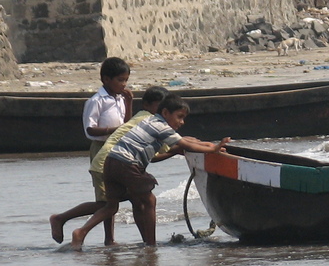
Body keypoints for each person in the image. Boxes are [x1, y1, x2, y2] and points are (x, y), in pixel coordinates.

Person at [70, 95, 230, 250]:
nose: (182, 122)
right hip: (127, 163)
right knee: (149, 200)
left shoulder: (149, 121)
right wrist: (214, 149)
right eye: (179, 117)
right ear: (165, 113)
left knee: (111, 207)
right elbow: (186, 145)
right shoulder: (162, 127)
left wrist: (208, 146)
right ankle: (151, 245)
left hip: (111, 162)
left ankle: (81, 232)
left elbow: (160, 154)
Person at [49, 57, 133, 244]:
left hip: (117, 148)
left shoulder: (120, 99)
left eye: (126, 80)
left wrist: (129, 103)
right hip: (101, 150)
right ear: (106, 79)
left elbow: (126, 125)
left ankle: (109, 239)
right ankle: (61, 218)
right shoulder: (96, 101)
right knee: (106, 201)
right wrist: (114, 130)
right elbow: (90, 130)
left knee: (112, 197)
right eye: (120, 80)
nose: (124, 84)